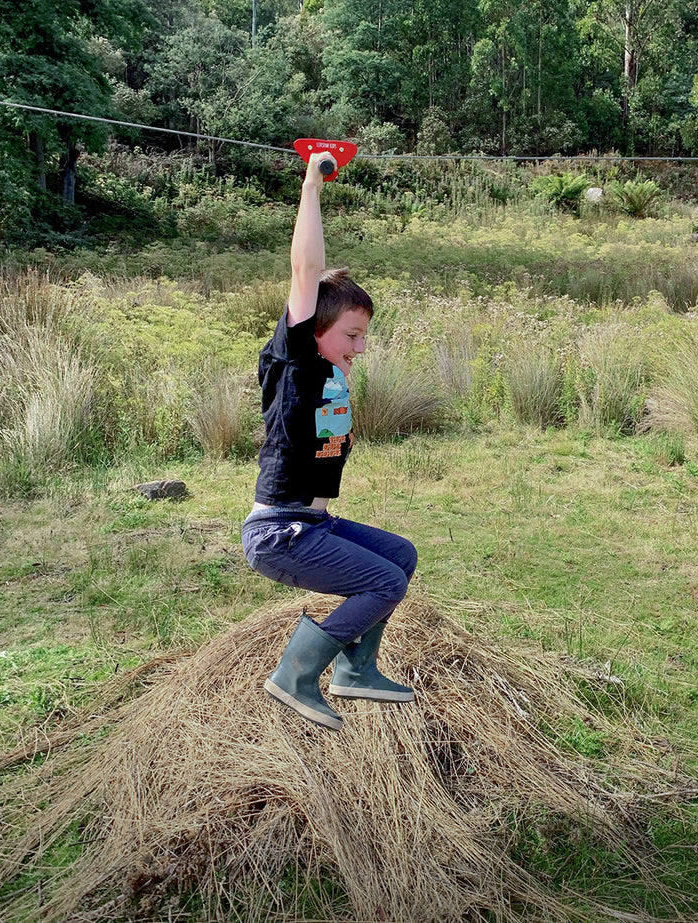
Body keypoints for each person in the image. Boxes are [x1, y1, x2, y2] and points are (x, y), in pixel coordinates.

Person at [241, 152, 417, 731]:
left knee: (399, 556)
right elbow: (306, 270)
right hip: (280, 533)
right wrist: (312, 186)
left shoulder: (332, 371)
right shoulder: (296, 360)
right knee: (384, 582)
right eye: (352, 334)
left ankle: (355, 670)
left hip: (314, 526)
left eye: (365, 334)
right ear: (313, 325)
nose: (361, 347)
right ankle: (295, 675)